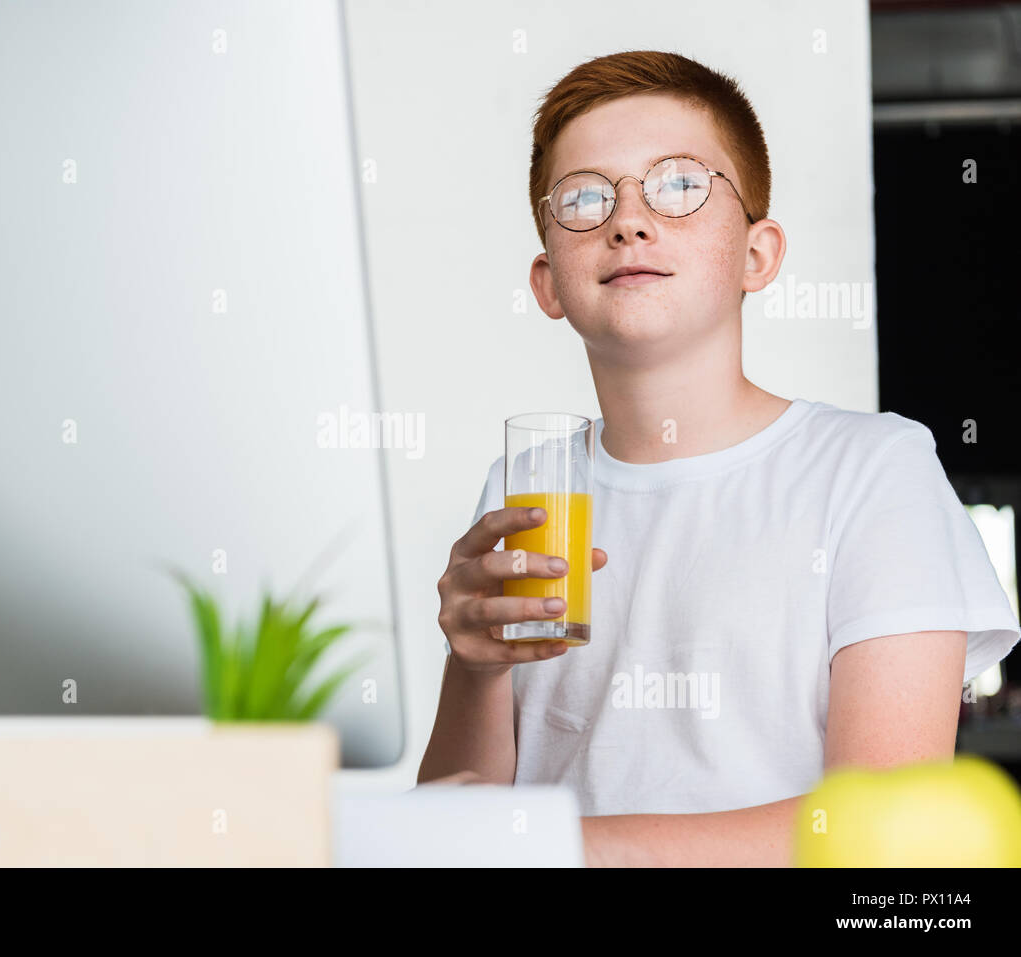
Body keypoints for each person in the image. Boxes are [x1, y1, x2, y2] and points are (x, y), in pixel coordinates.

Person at [418, 50, 1021, 866]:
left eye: (678, 185)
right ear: (548, 283)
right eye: (586, 198)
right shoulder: (530, 486)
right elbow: (453, 830)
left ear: (757, 254)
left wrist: (545, 846)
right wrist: (475, 669)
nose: (628, 220)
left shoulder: (875, 469)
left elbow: (883, 830)